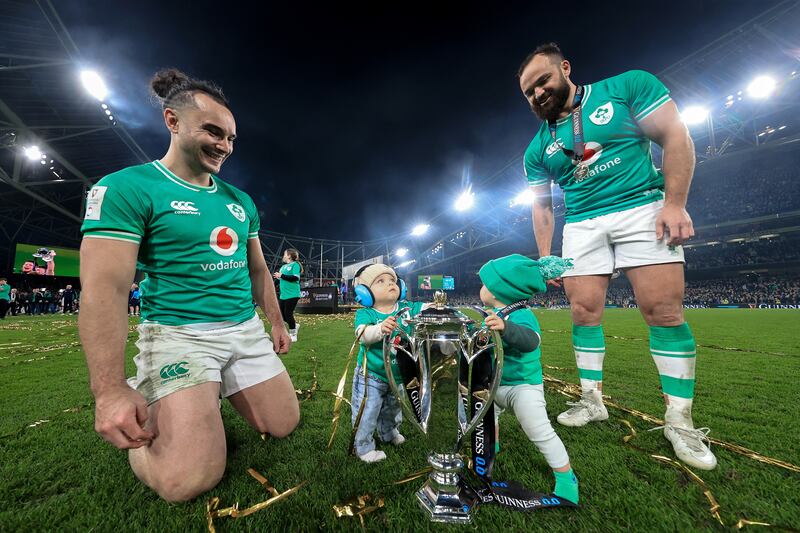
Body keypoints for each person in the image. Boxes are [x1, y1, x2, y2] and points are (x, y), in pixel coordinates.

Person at [79, 68, 299, 502]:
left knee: (283, 424)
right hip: (180, 336)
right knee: (185, 482)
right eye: (213, 131)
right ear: (172, 121)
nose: (225, 146)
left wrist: (275, 322)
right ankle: (177, 397)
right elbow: (105, 290)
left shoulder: (240, 201)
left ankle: (201, 396)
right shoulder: (126, 188)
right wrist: (107, 391)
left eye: (232, 138)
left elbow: (258, 271)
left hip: (243, 331)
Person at [519, 43, 716, 469]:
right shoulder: (537, 149)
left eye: (543, 80)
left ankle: (679, 420)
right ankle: (592, 400)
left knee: (663, 311)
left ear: (565, 69)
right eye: (528, 91)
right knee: (583, 312)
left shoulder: (627, 87)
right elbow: (541, 206)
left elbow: (674, 136)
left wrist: (675, 203)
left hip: (641, 206)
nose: (537, 93)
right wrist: (544, 255)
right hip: (583, 225)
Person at [479, 254, 579, 504]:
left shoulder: (521, 314)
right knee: (489, 420)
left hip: (522, 385)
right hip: (496, 382)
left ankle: (566, 477)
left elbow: (531, 341)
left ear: (499, 289)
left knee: (539, 431)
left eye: (485, 283)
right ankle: (492, 448)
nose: (480, 287)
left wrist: (506, 328)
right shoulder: (496, 312)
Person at [351, 264, 425, 463]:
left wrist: (437, 307)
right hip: (371, 375)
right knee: (368, 409)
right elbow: (362, 335)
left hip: (398, 374)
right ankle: (363, 447)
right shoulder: (367, 313)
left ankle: (389, 433)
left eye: (392, 280)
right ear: (364, 292)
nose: (390, 284)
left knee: (393, 407)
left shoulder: (407, 308)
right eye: (380, 281)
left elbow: (427, 309)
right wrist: (380, 328)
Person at [273, 248, 302, 342]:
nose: (283, 256)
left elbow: (295, 278)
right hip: (283, 295)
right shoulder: (283, 267)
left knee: (288, 313)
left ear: (289, 255)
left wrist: (281, 276)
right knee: (282, 315)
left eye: (285, 254)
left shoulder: (295, 265)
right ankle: (294, 325)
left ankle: (293, 334)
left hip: (293, 294)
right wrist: (272, 284)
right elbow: (279, 280)